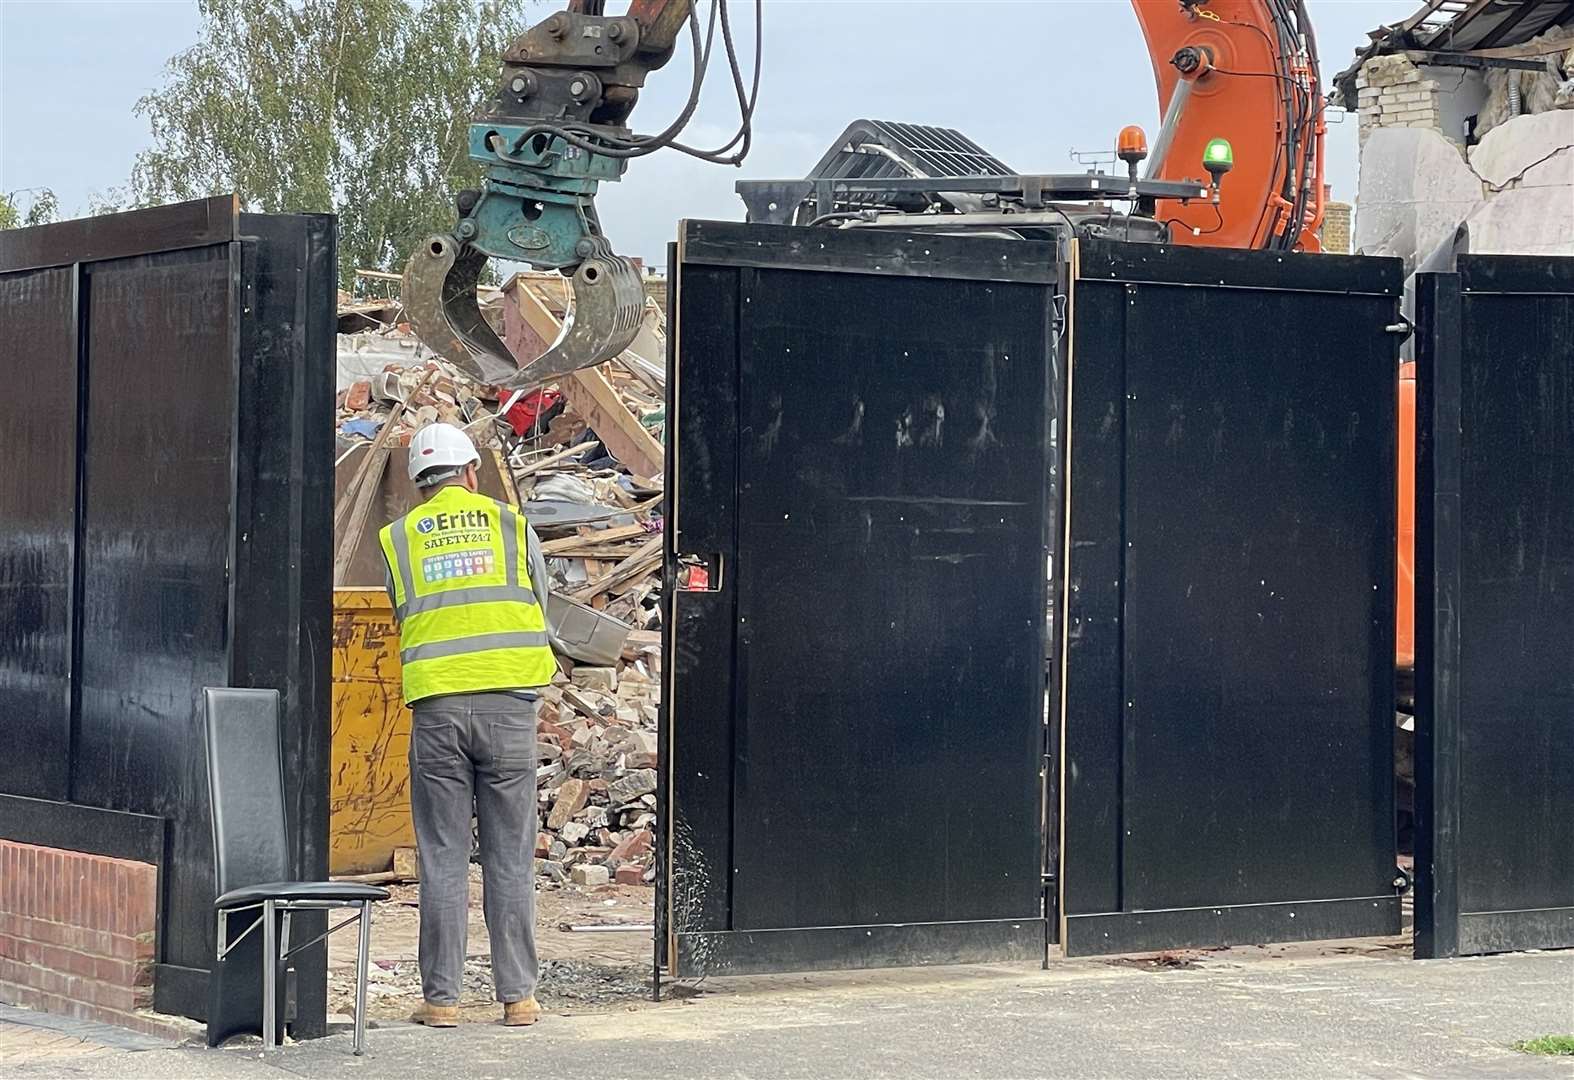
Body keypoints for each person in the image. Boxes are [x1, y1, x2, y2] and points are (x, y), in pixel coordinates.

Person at [378, 422, 561, 1028]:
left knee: (443, 855)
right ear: (471, 473)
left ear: (419, 485)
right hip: (510, 708)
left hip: (438, 712)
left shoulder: (400, 537)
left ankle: (442, 1000)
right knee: (510, 855)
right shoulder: (511, 525)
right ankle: (518, 998)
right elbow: (540, 595)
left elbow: (404, 612)